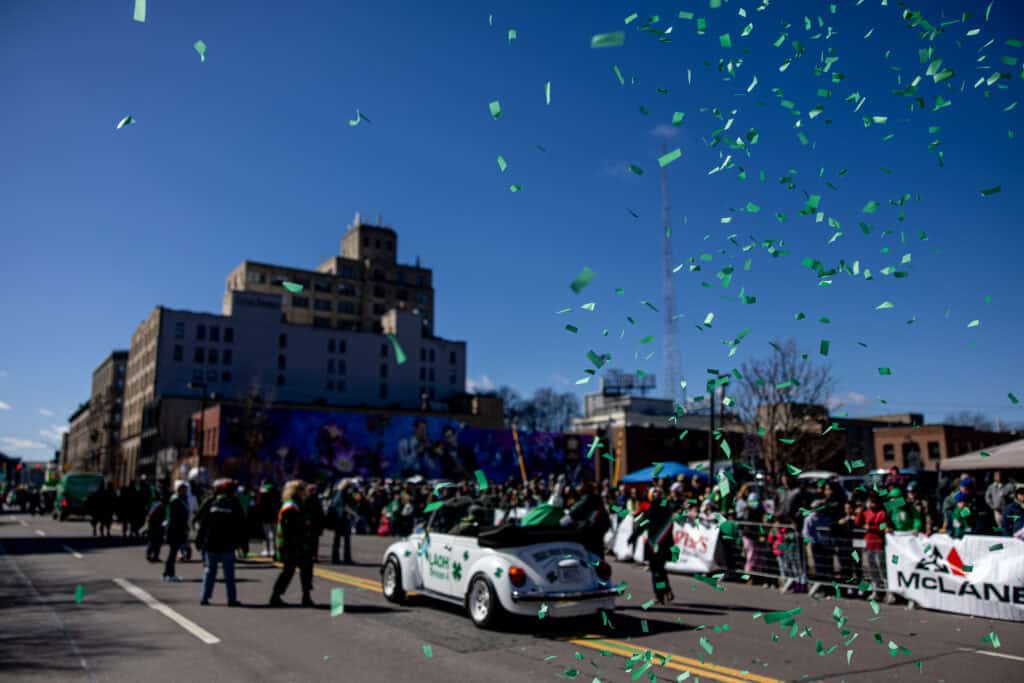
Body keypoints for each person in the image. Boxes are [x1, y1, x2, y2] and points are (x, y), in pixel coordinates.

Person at [195, 478, 245, 606]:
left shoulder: (212, 502)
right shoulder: (234, 503)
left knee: (210, 571)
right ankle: (231, 599)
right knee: (229, 573)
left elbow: (203, 523)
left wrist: (199, 540)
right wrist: (243, 544)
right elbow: (241, 525)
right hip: (227, 544)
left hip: (211, 543)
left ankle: (204, 597)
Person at [270, 480, 314, 607]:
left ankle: (306, 596)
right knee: (289, 571)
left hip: (298, 543)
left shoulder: (298, 503)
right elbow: (290, 528)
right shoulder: (291, 506)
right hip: (293, 545)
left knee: (305, 570)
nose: (305, 491)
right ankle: (276, 596)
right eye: (302, 489)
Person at [629, 487, 674, 604]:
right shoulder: (667, 510)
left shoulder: (650, 510)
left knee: (656, 572)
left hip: (653, 545)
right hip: (665, 545)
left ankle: (660, 595)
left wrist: (633, 537)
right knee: (661, 570)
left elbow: (642, 525)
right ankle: (666, 590)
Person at [561, 481, 610, 558]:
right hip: (598, 527)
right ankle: (598, 565)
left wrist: (621, 511)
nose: (577, 489)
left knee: (590, 550)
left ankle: (596, 565)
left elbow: (574, 511)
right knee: (597, 549)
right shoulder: (598, 498)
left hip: (590, 528)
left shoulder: (587, 498)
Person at [856, 493, 889, 601]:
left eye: (873, 502)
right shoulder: (866, 512)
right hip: (868, 543)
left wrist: (871, 527)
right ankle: (876, 590)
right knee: (871, 569)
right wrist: (860, 513)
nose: (870, 504)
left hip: (878, 543)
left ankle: (887, 590)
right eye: (869, 502)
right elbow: (858, 522)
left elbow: (883, 526)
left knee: (881, 568)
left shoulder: (881, 513)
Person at [163, 483, 190, 582]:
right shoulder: (176, 501)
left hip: (176, 529)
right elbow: (174, 518)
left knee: (173, 553)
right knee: (172, 553)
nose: (185, 491)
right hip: (174, 530)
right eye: (183, 489)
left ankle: (168, 573)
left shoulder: (180, 500)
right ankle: (170, 574)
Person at [329, 480, 354, 564]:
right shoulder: (342, 493)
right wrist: (352, 513)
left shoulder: (337, 492)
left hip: (339, 519)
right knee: (344, 540)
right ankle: (345, 558)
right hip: (342, 519)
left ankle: (336, 558)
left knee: (338, 540)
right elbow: (343, 506)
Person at [256, 482, 281, 557]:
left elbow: (259, 505)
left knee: (267, 536)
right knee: (275, 535)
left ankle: (267, 550)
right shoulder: (277, 492)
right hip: (275, 517)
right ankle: (275, 550)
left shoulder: (262, 493)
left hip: (265, 517)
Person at [144, 492, 167, 562]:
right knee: (154, 542)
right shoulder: (159, 506)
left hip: (157, 526)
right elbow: (150, 516)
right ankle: (150, 555)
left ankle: (154, 556)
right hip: (155, 527)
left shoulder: (159, 505)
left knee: (156, 542)